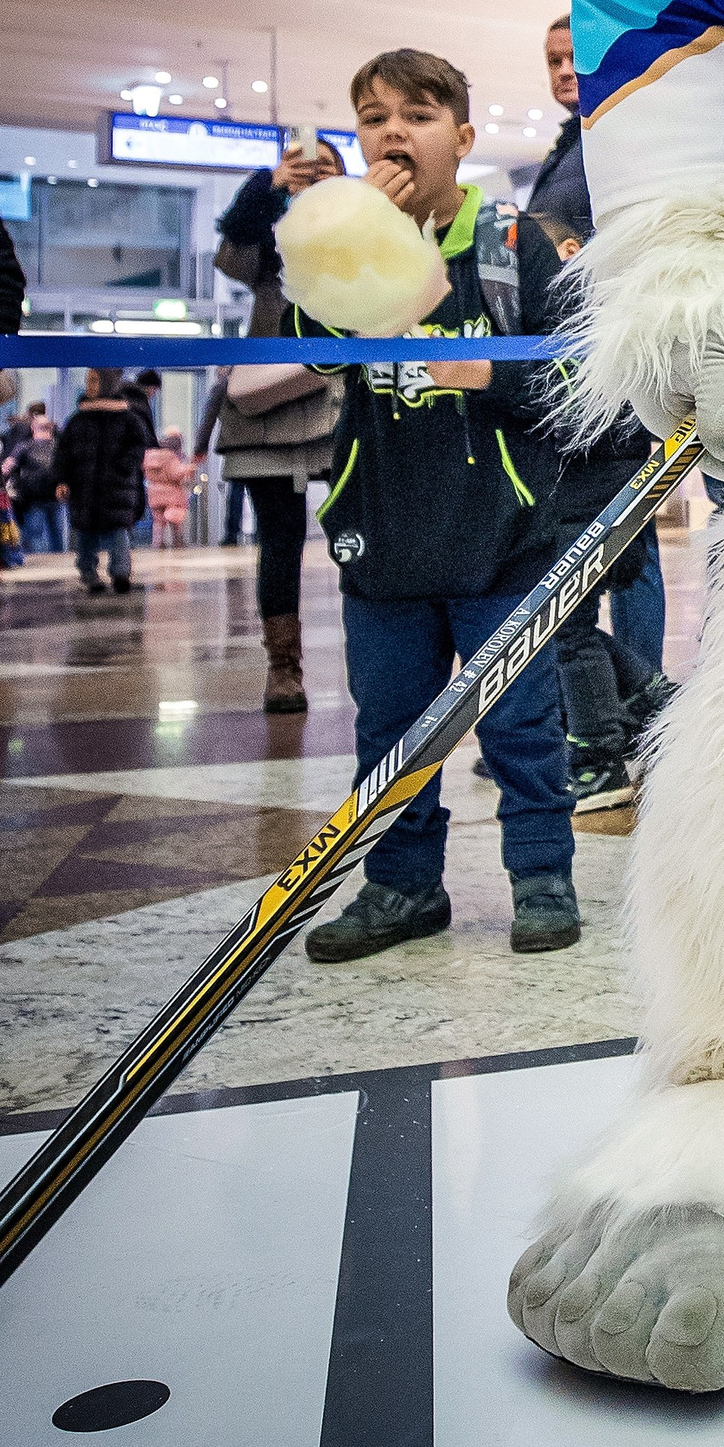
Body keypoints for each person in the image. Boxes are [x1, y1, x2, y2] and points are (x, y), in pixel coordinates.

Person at [231, 50, 581, 958]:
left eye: (418, 117)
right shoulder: (349, 234)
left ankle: (542, 877)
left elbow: (582, 388)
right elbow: (314, 352)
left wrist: (490, 378)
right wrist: (349, 235)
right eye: (375, 117)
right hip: (381, 533)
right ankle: (401, 886)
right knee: (389, 731)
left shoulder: (514, 244)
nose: (394, 133)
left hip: (503, 536)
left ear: (461, 138)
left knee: (521, 724)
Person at [522, 10, 672, 812]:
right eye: (552, 58)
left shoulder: (621, 137)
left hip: (611, 388)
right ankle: (638, 705)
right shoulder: (567, 146)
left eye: (573, 53)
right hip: (577, 394)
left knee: (612, 566)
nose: (563, 69)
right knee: (590, 575)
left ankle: (626, 724)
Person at [207, 135, 347, 712]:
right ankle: (283, 669)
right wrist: (266, 189)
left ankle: (377, 652)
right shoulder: (270, 240)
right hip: (268, 402)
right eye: (303, 168)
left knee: (358, 532)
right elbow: (231, 255)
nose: (313, 175)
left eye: (326, 168)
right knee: (279, 541)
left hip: (341, 396)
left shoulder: (359, 229)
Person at [56, 366, 149, 594]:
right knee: (85, 535)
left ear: (107, 383)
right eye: (88, 380)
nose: (89, 385)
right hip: (83, 488)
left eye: (94, 380)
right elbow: (63, 453)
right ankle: (89, 574)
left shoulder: (127, 419)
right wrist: (61, 479)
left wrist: (122, 469)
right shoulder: (78, 420)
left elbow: (137, 447)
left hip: (116, 488)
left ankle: (120, 573)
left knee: (118, 533)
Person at [5, 405, 68, 556]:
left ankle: (38, 564)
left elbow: (6, 467)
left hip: (33, 497)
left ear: (33, 427)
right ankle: (59, 564)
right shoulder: (59, 446)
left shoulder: (24, 446)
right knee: (57, 536)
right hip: (55, 496)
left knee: (36, 538)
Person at [141, 434, 197, 548]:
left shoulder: (148, 456)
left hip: (154, 493)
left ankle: (158, 542)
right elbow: (175, 473)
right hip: (171, 494)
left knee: (158, 521)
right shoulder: (170, 457)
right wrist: (188, 469)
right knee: (175, 520)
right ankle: (178, 540)